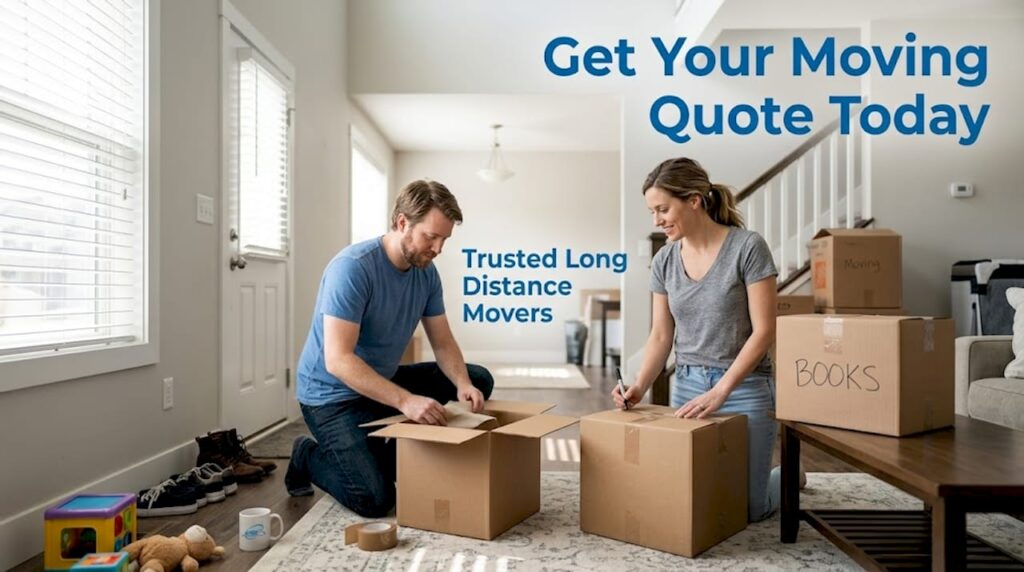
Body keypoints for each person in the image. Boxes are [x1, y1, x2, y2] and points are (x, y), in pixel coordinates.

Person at [286, 179, 494, 517]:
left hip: (378, 383)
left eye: (445, 239)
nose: (439, 248)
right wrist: (406, 401)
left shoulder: (426, 273)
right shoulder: (352, 268)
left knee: (478, 378)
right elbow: (338, 360)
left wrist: (463, 384)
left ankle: (387, 446)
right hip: (331, 397)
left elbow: (442, 342)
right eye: (431, 236)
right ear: (402, 223)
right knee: (375, 499)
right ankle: (306, 456)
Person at [612, 157, 785, 523]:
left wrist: (721, 390)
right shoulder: (664, 261)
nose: (656, 220)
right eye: (652, 211)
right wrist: (639, 386)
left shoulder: (748, 247)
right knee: (693, 497)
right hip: (688, 386)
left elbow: (765, 330)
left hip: (744, 387)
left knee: (749, 510)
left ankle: (786, 478)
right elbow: (661, 335)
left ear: (694, 200)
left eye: (663, 209)